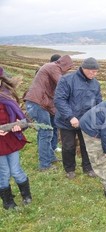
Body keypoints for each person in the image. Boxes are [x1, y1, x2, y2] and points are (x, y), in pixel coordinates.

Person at [54, 57, 102, 179]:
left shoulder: (95, 84)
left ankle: (88, 168)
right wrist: (70, 117)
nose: (94, 74)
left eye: (96, 72)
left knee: (86, 145)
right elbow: (59, 100)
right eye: (92, 71)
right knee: (69, 145)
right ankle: (70, 169)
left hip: (86, 122)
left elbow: (98, 102)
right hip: (67, 121)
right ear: (83, 68)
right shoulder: (67, 80)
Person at [24, 55, 74, 171]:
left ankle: (50, 157)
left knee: (49, 130)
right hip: (37, 103)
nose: (68, 71)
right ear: (65, 64)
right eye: (68, 68)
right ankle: (44, 165)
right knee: (45, 132)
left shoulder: (52, 68)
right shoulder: (53, 67)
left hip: (41, 103)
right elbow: (63, 85)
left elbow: (53, 93)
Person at [0, 68, 32, 210]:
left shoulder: (7, 95)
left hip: (11, 139)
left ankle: (26, 195)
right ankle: (8, 202)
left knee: (15, 170)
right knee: (4, 172)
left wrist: (19, 126)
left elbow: (20, 117)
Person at [35, 54, 62, 153]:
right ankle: (43, 148)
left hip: (52, 103)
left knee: (53, 126)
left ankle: (53, 146)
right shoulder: (43, 71)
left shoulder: (56, 72)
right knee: (44, 128)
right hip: (43, 103)